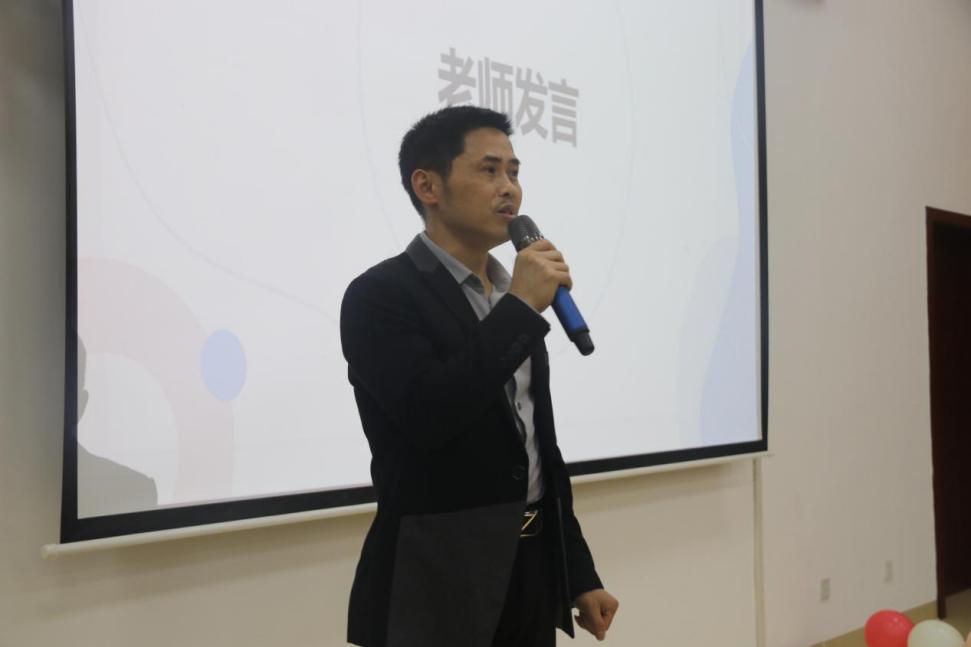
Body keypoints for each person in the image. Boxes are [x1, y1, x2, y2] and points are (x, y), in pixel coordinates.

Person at [340, 106, 619, 647]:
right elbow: (430, 414)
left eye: (513, 172)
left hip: (532, 571)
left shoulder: (511, 295)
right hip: (436, 580)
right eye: (489, 170)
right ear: (428, 186)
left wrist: (579, 573)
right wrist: (520, 308)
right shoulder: (380, 295)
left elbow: (537, 446)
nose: (509, 188)